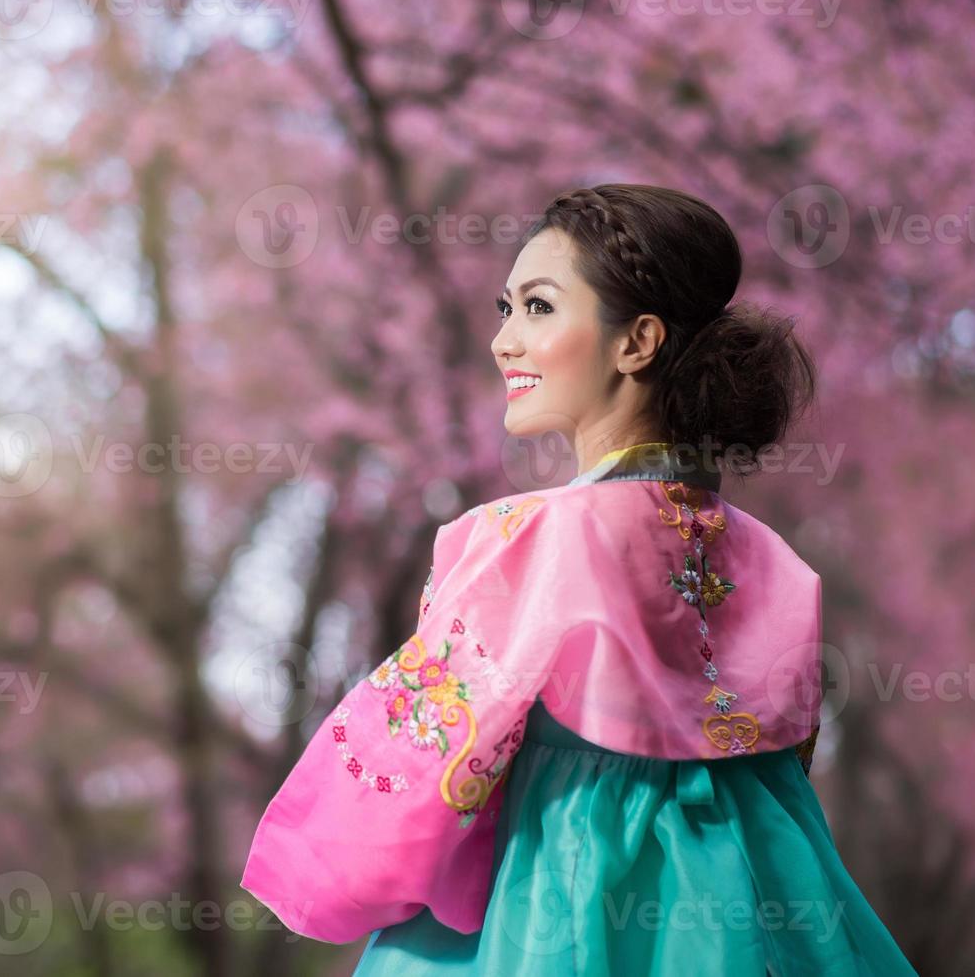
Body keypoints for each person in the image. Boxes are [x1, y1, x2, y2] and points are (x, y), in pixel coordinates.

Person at [240, 185, 919, 976]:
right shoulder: (776, 565)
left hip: (554, 906)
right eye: (507, 308)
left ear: (637, 341)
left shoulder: (530, 540)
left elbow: (418, 780)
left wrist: (326, 872)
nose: (503, 341)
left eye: (537, 307)